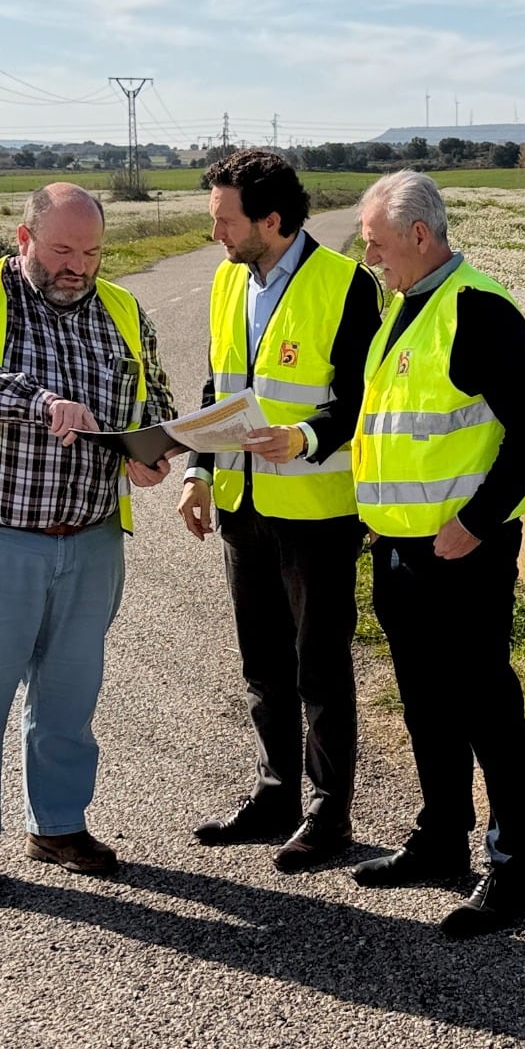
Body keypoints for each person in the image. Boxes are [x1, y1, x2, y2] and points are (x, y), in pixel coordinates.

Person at [0, 182, 177, 900]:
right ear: (24, 238)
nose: (77, 266)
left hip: (89, 540)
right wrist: (39, 401)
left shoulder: (123, 309)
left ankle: (57, 826)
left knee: (68, 699)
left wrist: (152, 451)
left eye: (91, 252)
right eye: (61, 249)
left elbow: (154, 398)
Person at [346, 170, 525, 939]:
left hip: (464, 550)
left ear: (418, 235)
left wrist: (476, 519)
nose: (370, 258)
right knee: (426, 703)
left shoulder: (478, 309)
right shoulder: (404, 308)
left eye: (375, 243)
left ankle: (513, 871)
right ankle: (441, 837)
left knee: (485, 707)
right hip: (400, 548)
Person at [175, 149, 382, 872]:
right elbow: (218, 386)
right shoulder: (227, 280)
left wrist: (305, 437)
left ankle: (330, 814)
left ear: (271, 220)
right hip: (242, 505)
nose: (215, 235)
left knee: (319, 667)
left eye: (224, 221)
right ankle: (275, 796)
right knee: (262, 664)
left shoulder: (346, 284)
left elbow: (362, 400)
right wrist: (199, 471)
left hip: (317, 512)